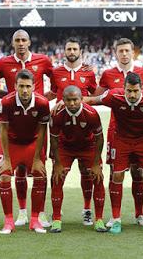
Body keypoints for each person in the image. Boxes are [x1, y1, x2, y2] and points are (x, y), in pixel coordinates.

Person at [85, 72, 143, 234]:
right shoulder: (113, 96)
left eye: (135, 91)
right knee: (117, 176)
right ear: (123, 89)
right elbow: (92, 100)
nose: (132, 94)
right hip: (121, 140)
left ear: (141, 89)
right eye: (129, 91)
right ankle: (116, 219)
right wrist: (68, 101)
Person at [93, 37, 143, 228]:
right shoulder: (108, 74)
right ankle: (114, 216)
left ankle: (140, 215)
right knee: (115, 173)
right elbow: (96, 99)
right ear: (115, 53)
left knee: (138, 173)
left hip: (142, 131)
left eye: (127, 51)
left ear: (133, 52)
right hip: (117, 132)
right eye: (120, 51)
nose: (124, 54)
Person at [0, 29, 53, 227]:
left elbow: (56, 84)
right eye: (17, 40)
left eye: (24, 40)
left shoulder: (43, 60)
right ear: (13, 43)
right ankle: (21, 213)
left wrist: (41, 101)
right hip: (14, 123)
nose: (21, 43)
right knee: (18, 172)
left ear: (29, 42)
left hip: (35, 125)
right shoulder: (3, 63)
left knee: (41, 171)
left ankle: (41, 213)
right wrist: (10, 98)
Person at [47, 37, 98, 225]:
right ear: (64, 51)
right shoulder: (56, 72)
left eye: (75, 49)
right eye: (68, 49)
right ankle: (56, 215)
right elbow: (53, 92)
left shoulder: (89, 73)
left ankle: (87, 210)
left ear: (80, 51)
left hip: (84, 131)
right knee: (57, 173)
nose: (71, 52)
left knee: (87, 173)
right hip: (62, 130)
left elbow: (93, 95)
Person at [0, 69, 50, 234]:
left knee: (40, 174)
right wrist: (6, 158)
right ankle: (8, 222)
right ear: (15, 86)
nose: (25, 90)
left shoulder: (42, 103)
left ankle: (35, 220)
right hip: (11, 143)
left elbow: (42, 131)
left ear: (34, 86)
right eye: (21, 86)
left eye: (28, 86)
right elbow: (3, 130)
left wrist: (37, 158)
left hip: (32, 143)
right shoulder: (6, 102)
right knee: (5, 174)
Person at [49, 86, 106, 233]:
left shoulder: (91, 113)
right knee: (56, 178)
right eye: (69, 100)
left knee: (98, 177)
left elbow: (100, 139)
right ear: (63, 100)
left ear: (81, 99)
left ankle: (99, 219)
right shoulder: (57, 114)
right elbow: (54, 140)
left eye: (75, 100)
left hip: (88, 146)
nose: (72, 103)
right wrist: (58, 164)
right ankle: (56, 219)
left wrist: (95, 163)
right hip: (65, 147)